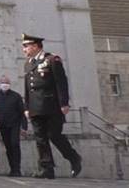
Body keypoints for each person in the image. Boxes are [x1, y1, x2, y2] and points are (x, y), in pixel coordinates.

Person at [22, 33, 82, 179]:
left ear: (35, 46)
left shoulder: (52, 60)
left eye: (26, 46)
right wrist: (27, 107)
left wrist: (64, 103)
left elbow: (61, 82)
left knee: (54, 135)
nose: (24, 49)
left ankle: (74, 158)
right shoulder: (28, 63)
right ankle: (46, 168)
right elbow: (28, 88)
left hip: (51, 106)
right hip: (35, 107)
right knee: (40, 138)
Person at [0, 75, 28, 177]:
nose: (4, 84)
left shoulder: (16, 96)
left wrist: (24, 127)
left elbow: (22, 112)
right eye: (3, 82)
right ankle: (12, 168)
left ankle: (17, 169)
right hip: (3, 126)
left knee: (15, 144)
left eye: (6, 82)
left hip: (14, 125)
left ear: (9, 84)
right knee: (8, 147)